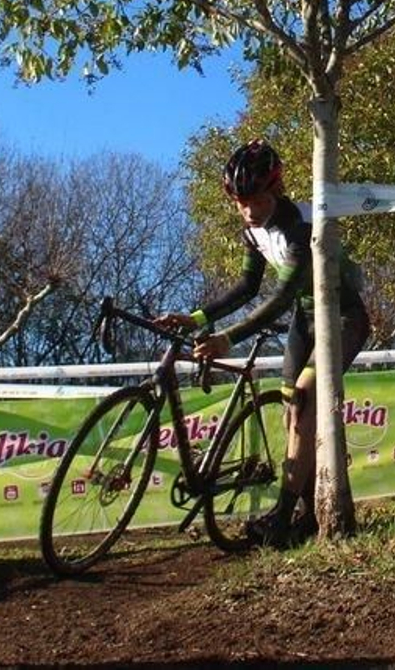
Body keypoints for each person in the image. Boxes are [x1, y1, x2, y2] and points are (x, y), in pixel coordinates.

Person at [157, 139, 370, 548]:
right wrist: (200, 318)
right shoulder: (251, 231)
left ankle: (281, 515)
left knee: (305, 398)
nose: (249, 210)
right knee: (294, 414)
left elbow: (278, 299)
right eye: (240, 202)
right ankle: (308, 515)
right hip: (307, 319)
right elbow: (247, 286)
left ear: (275, 190)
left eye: (255, 199)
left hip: (344, 317)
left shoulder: (299, 228)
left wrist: (228, 338)